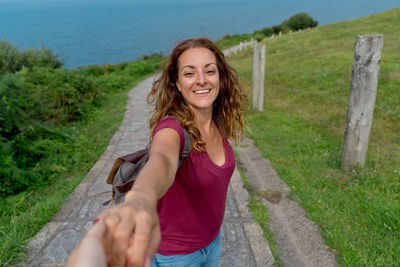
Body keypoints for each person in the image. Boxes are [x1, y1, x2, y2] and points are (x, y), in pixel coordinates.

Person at [71, 37, 247, 267]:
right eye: (189, 73)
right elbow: (161, 159)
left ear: (220, 77)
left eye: (210, 71)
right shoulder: (171, 130)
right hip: (177, 257)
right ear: (177, 83)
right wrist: (141, 198)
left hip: (212, 243)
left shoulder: (217, 122)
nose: (201, 80)